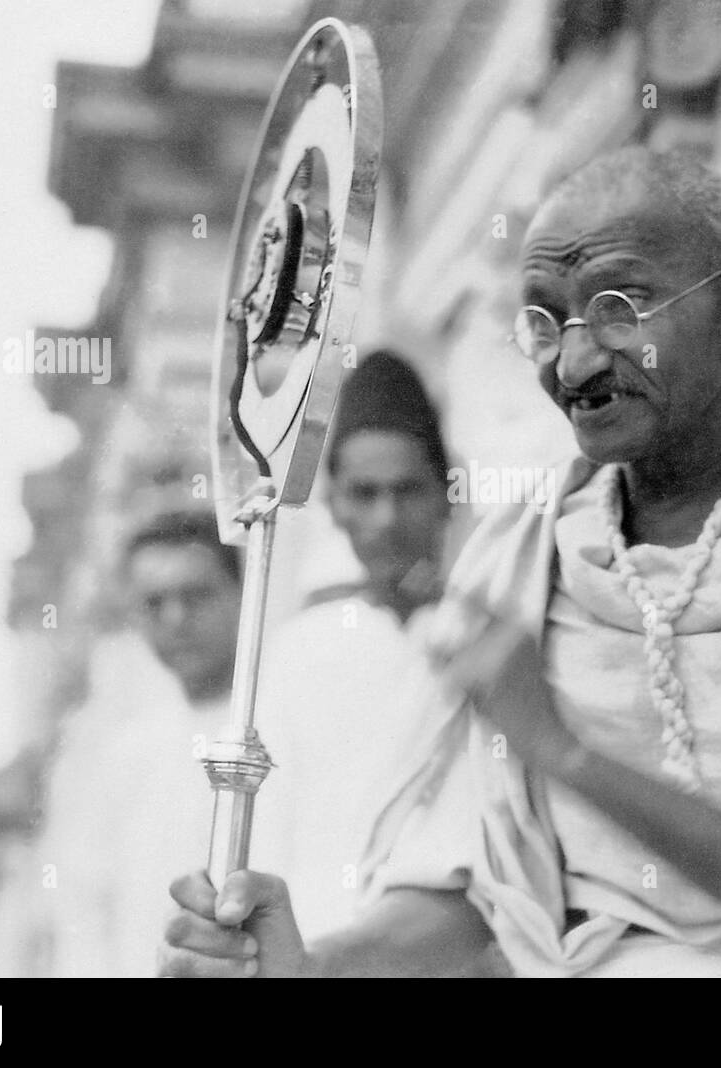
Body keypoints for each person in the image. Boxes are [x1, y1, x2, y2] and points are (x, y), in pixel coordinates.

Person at [159, 146, 721, 978]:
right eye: (546, 321)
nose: (575, 361)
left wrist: (564, 751)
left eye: (621, 306)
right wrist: (304, 968)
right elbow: (483, 898)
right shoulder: (520, 558)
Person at [252, 350, 464, 942]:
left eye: (408, 490)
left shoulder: (490, 639)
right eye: (364, 493)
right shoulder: (301, 652)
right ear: (334, 505)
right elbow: (269, 834)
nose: (388, 517)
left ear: (447, 493)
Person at [37, 509, 256, 977]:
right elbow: (85, 919)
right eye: (155, 603)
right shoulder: (118, 758)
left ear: (242, 595)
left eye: (195, 596)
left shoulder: (279, 728)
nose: (176, 619)